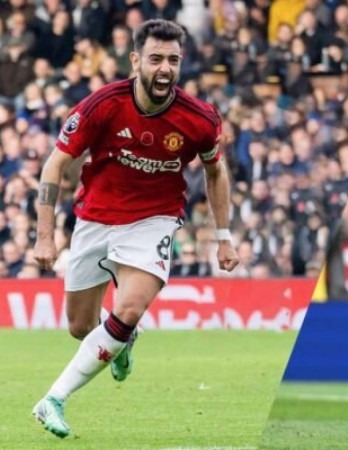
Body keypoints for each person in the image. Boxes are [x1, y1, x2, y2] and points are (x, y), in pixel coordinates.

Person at [31, 19, 239, 438]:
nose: (165, 69)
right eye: (156, 59)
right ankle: (123, 340)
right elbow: (55, 164)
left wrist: (223, 235)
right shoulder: (101, 106)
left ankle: (52, 398)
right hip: (95, 218)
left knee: (128, 308)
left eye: (173, 61)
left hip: (154, 220)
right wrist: (44, 233)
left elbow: (216, 172)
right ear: (135, 60)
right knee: (79, 326)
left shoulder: (198, 119)